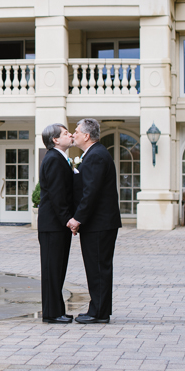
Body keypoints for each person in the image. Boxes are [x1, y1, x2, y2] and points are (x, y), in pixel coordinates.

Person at [67, 118, 121, 324]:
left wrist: (77, 218)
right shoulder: (94, 154)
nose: (74, 134)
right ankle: (100, 310)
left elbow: (91, 192)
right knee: (97, 267)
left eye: (77, 131)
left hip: (99, 224)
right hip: (100, 223)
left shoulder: (96, 156)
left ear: (87, 136)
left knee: (98, 268)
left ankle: (98, 312)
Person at [38, 123, 75, 324]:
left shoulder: (59, 158)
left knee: (58, 269)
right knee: (52, 270)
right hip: (53, 225)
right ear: (55, 140)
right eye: (66, 133)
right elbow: (56, 194)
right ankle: (52, 313)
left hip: (55, 225)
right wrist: (67, 220)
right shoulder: (53, 159)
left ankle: (57, 309)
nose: (70, 135)